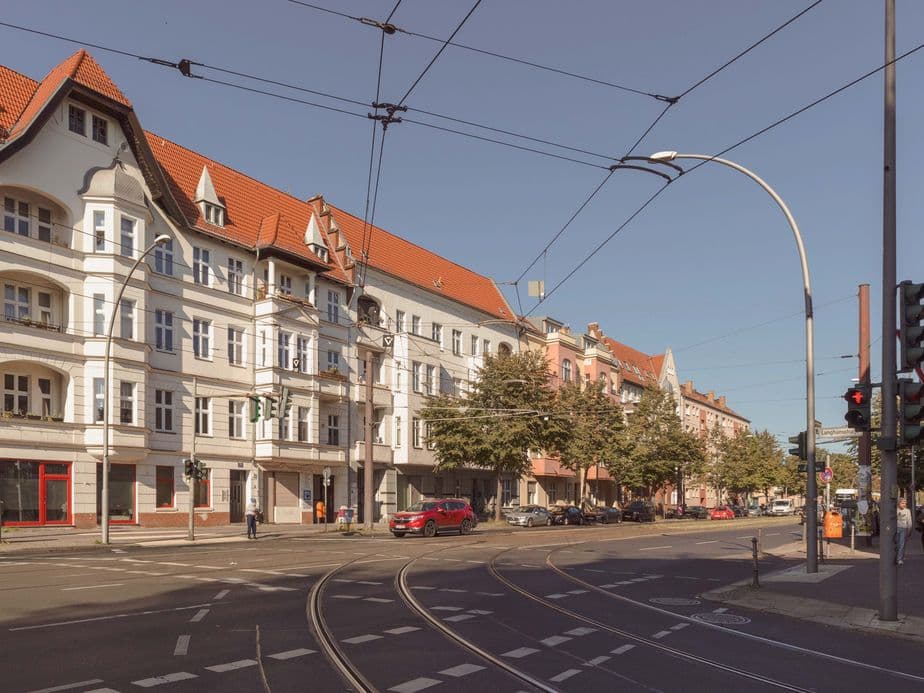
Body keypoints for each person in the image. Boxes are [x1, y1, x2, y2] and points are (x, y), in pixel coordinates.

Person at [896, 498, 912, 565]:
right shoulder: (895, 510)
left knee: (901, 545)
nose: (904, 505)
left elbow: (909, 521)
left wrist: (909, 530)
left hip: (903, 529)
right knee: (896, 544)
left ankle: (899, 559)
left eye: (905, 503)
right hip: (896, 529)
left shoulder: (907, 511)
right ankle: (895, 557)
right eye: (902, 503)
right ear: (899, 503)